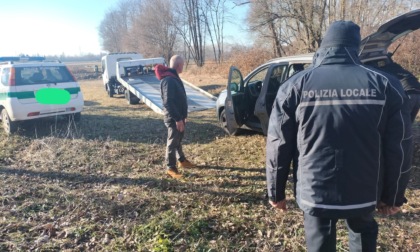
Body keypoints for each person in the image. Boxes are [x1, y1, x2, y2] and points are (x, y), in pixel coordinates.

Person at [266, 21, 412, 252]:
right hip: (364, 190)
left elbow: (278, 144)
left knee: (319, 243)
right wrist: (393, 195)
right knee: (363, 237)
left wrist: (276, 191)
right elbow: (400, 147)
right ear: (356, 48)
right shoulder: (386, 84)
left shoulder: (294, 86)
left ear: (324, 45)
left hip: (315, 192)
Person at [155, 55, 195, 179]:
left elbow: (180, 98)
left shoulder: (173, 77)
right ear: (178, 65)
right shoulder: (169, 80)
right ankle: (170, 168)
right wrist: (177, 119)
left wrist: (183, 116)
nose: (183, 67)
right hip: (173, 118)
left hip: (179, 116)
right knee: (172, 142)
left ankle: (181, 160)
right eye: (183, 65)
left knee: (178, 139)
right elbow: (168, 102)